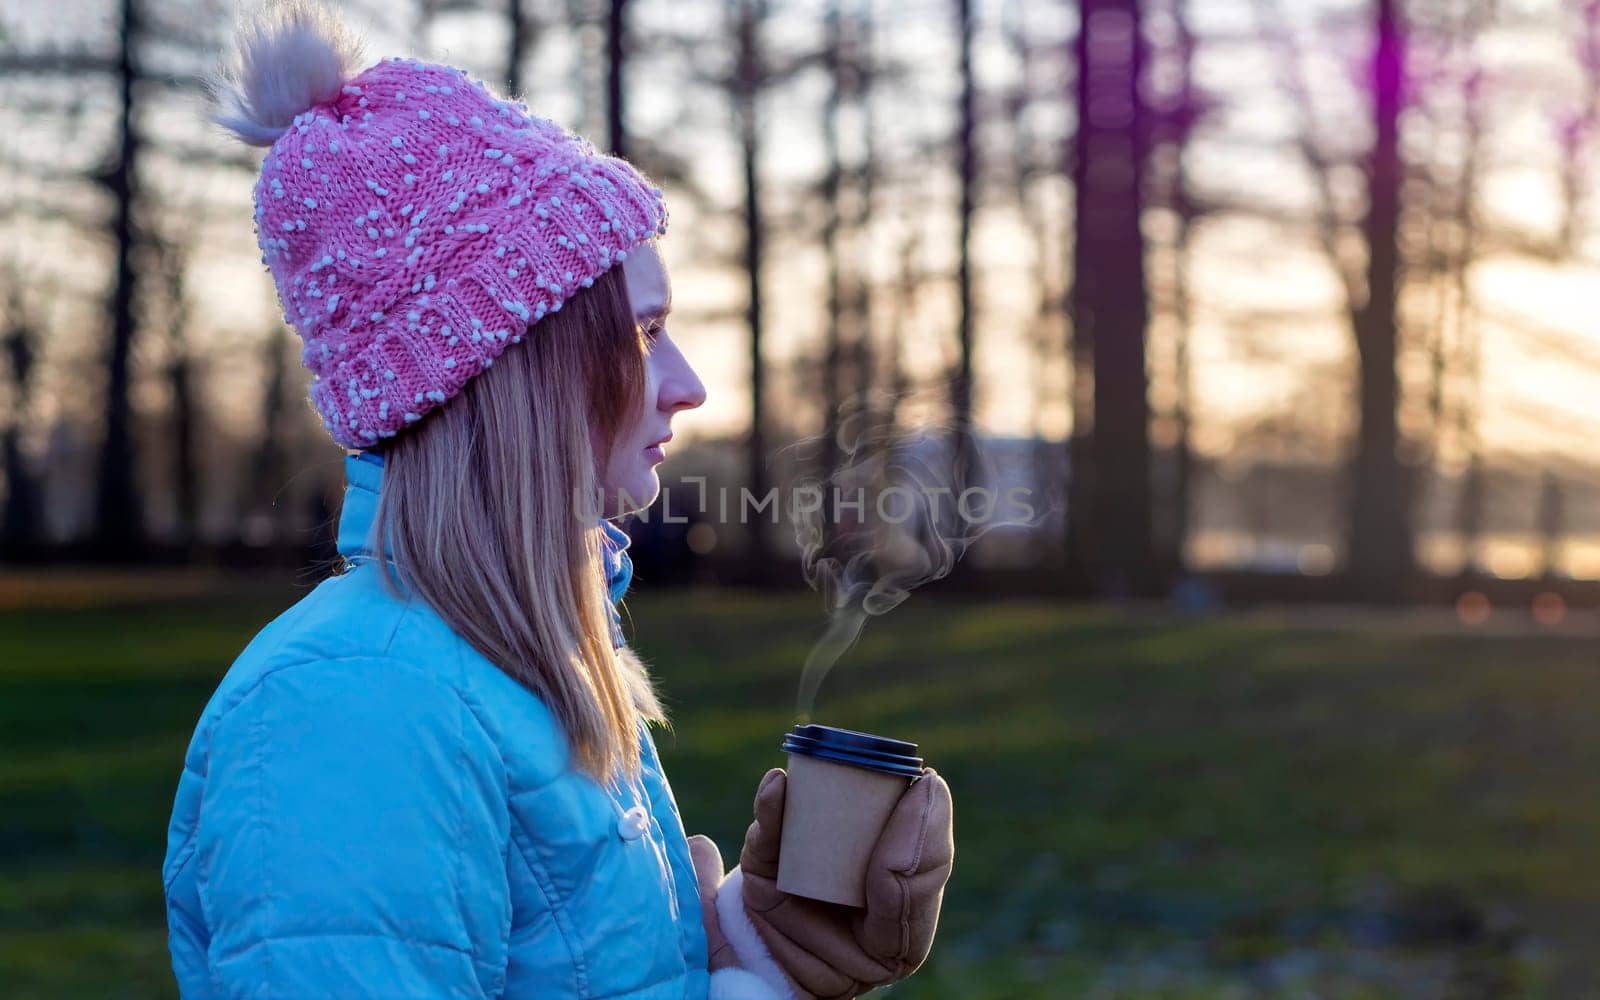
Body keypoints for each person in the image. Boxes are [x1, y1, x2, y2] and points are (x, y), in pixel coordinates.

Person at [160, 4, 954, 999]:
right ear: (522, 360)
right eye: (645, 330)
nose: (689, 382)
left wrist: (755, 950)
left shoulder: (519, 661)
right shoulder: (355, 701)